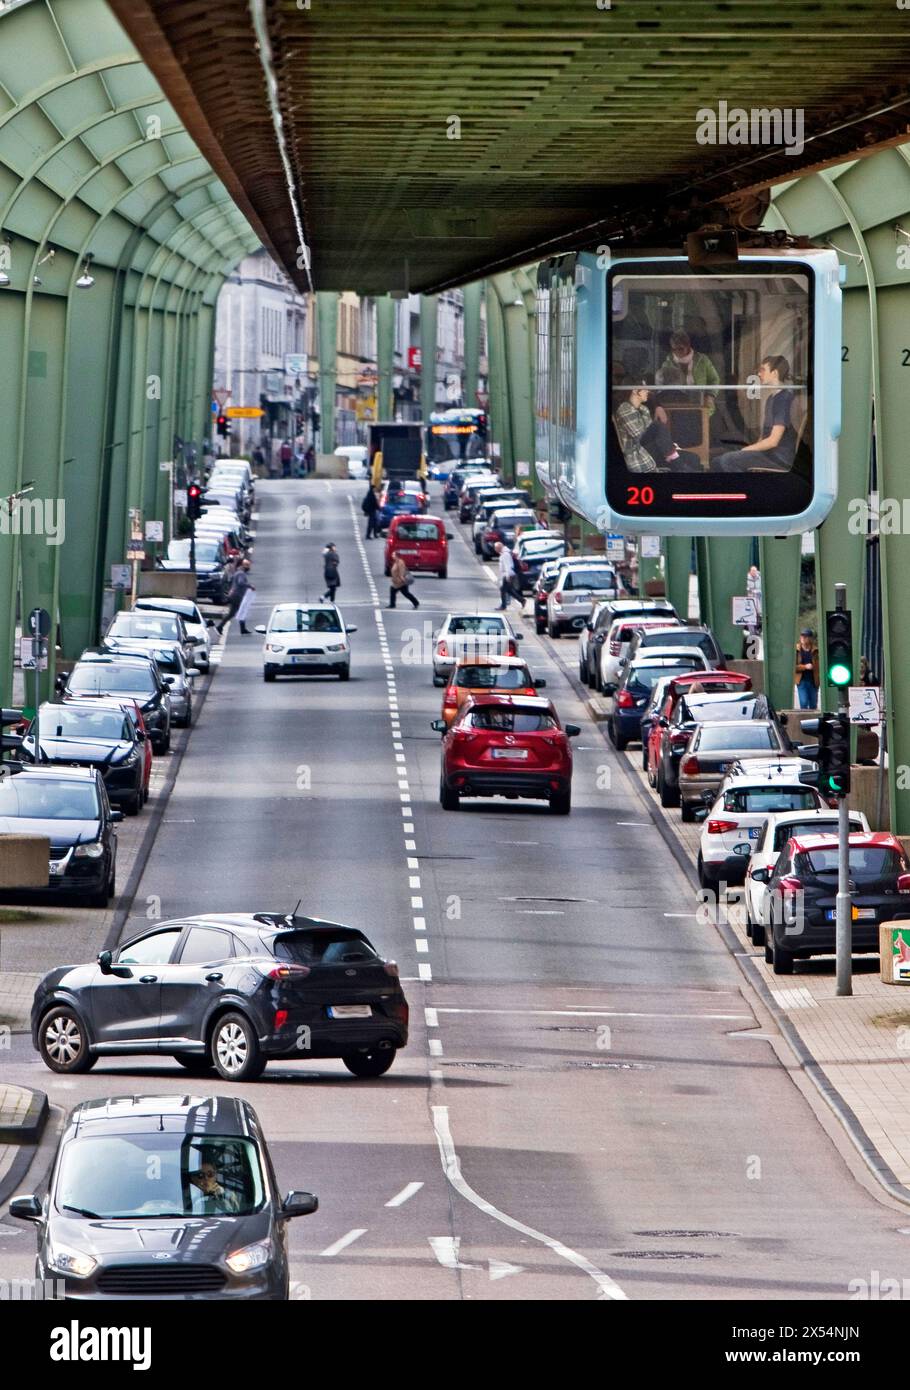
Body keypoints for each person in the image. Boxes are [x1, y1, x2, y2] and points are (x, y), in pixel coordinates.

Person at [712, 356, 798, 472]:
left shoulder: (784, 400)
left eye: (763, 370)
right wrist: (749, 450)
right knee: (716, 461)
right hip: (767, 454)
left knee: (727, 460)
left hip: (778, 458)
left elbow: (773, 440)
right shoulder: (771, 399)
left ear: (775, 373)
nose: (758, 374)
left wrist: (745, 451)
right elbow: (763, 437)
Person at [615, 386, 701, 472]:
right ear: (635, 391)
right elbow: (638, 435)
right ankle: (675, 460)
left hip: (654, 450)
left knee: (694, 458)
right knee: (658, 426)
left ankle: (674, 458)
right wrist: (664, 441)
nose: (647, 391)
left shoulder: (643, 409)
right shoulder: (624, 410)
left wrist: (668, 445)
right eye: (644, 389)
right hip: (638, 452)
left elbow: (651, 433)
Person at [655, 330, 721, 415]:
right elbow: (662, 387)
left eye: (680, 348)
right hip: (676, 407)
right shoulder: (668, 363)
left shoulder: (702, 360)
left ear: (688, 346)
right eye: (674, 349)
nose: (677, 352)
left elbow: (714, 379)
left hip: (701, 405)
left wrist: (710, 395)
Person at [188, 1151, 241, 1216]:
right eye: (200, 1175)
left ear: (215, 1176)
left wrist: (221, 1197)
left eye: (210, 1174)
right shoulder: (186, 1197)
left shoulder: (229, 1195)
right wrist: (198, 1195)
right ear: (193, 1178)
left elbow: (236, 1217)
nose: (206, 1178)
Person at [216, 559, 250, 634]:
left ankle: (220, 627)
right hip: (237, 596)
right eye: (246, 565)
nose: (248, 567)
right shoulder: (241, 573)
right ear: (241, 565)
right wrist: (249, 586)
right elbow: (241, 583)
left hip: (234, 595)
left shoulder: (237, 573)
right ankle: (242, 628)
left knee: (233, 613)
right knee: (240, 612)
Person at [794, 628, 819, 709]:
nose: (803, 638)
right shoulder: (796, 650)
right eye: (802, 636)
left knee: (813, 704)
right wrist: (805, 667)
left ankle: (812, 721)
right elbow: (792, 667)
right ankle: (804, 720)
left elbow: (820, 666)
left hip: (813, 681)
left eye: (806, 636)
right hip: (801, 681)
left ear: (810, 638)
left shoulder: (816, 651)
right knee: (804, 702)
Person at [495, 541, 520, 610]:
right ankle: (522, 600)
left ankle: (503, 605)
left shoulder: (505, 554)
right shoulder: (504, 553)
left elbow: (508, 566)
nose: (495, 550)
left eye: (496, 548)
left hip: (508, 575)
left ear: (499, 548)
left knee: (503, 589)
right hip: (507, 574)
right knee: (509, 590)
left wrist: (508, 576)